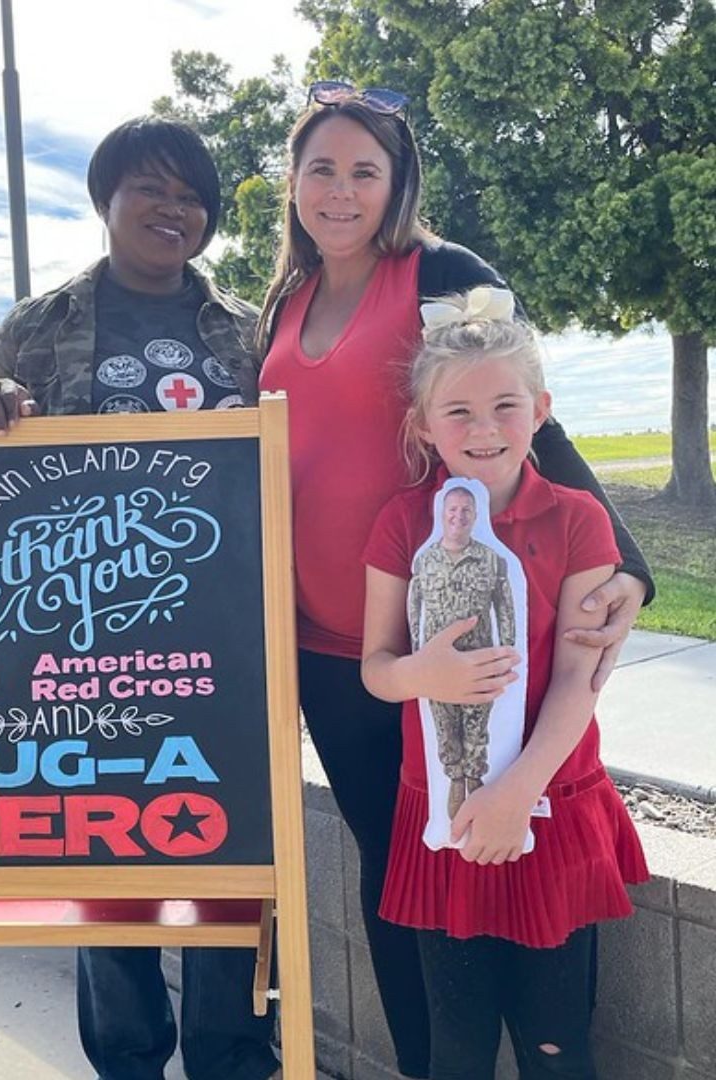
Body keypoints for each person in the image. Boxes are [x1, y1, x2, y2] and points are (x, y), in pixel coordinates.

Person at [257, 84, 653, 1079]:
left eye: (364, 171)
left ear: (396, 186)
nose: (340, 191)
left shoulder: (441, 274)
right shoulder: (284, 300)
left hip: (454, 644)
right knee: (398, 875)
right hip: (335, 654)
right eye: (321, 169)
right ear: (292, 183)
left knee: (471, 854)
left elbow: (520, 410)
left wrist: (628, 569)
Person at [0, 117, 279, 1080]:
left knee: (235, 852)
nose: (172, 209)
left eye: (190, 196)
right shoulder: (38, 325)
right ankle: (130, 1057)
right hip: (85, 642)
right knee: (104, 855)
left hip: (226, 636)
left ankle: (233, 1053)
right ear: (105, 199)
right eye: (150, 187)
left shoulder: (248, 330)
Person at [361, 297, 649, 1079]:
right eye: (457, 411)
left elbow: (579, 678)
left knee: (555, 1039)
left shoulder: (579, 518)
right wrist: (426, 674)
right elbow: (377, 667)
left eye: (504, 407)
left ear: (540, 413)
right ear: (423, 425)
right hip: (445, 811)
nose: (483, 428)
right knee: (456, 1039)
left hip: (546, 802)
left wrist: (518, 791)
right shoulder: (399, 524)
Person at [409, 485, 517, 820]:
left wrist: (507, 651)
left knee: (475, 728)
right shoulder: (425, 562)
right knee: (446, 727)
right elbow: (415, 608)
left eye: (466, 511)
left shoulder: (490, 560)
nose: (459, 516)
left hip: (479, 663)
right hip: (436, 668)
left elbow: (505, 607)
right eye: (452, 510)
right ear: (442, 514)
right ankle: (455, 781)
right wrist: (417, 655)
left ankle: (474, 780)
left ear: (475, 516)